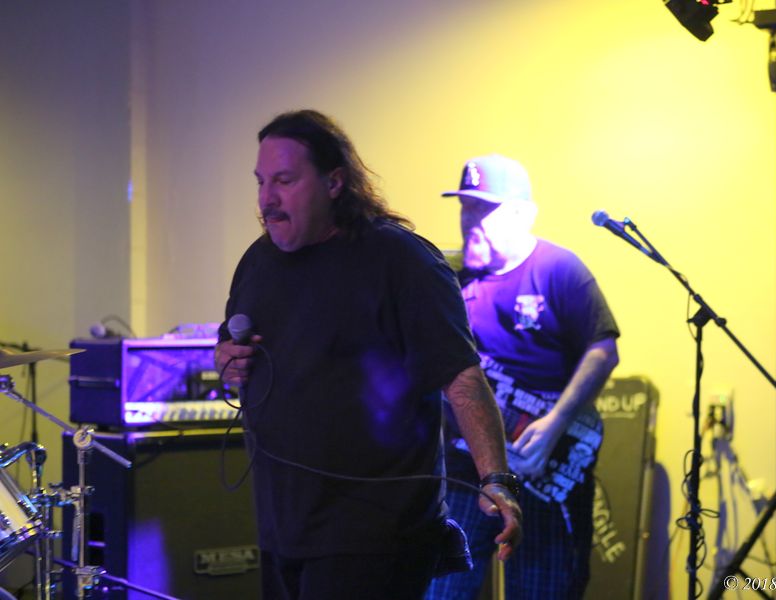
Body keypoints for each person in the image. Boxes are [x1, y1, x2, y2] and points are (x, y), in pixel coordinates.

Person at [214, 111, 523, 600]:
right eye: (261, 181)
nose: (267, 198)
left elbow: (461, 377)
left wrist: (496, 478)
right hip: (283, 526)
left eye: (285, 181)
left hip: (376, 533)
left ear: (335, 182)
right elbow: (229, 351)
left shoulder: (401, 260)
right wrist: (227, 362)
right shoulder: (258, 261)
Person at [426, 155, 620, 599]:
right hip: (465, 469)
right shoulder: (449, 277)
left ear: (520, 214)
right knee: (442, 588)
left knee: (543, 589)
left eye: (483, 209)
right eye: (465, 207)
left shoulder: (558, 269)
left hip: (544, 461)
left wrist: (553, 425)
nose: (469, 220)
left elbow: (603, 351)